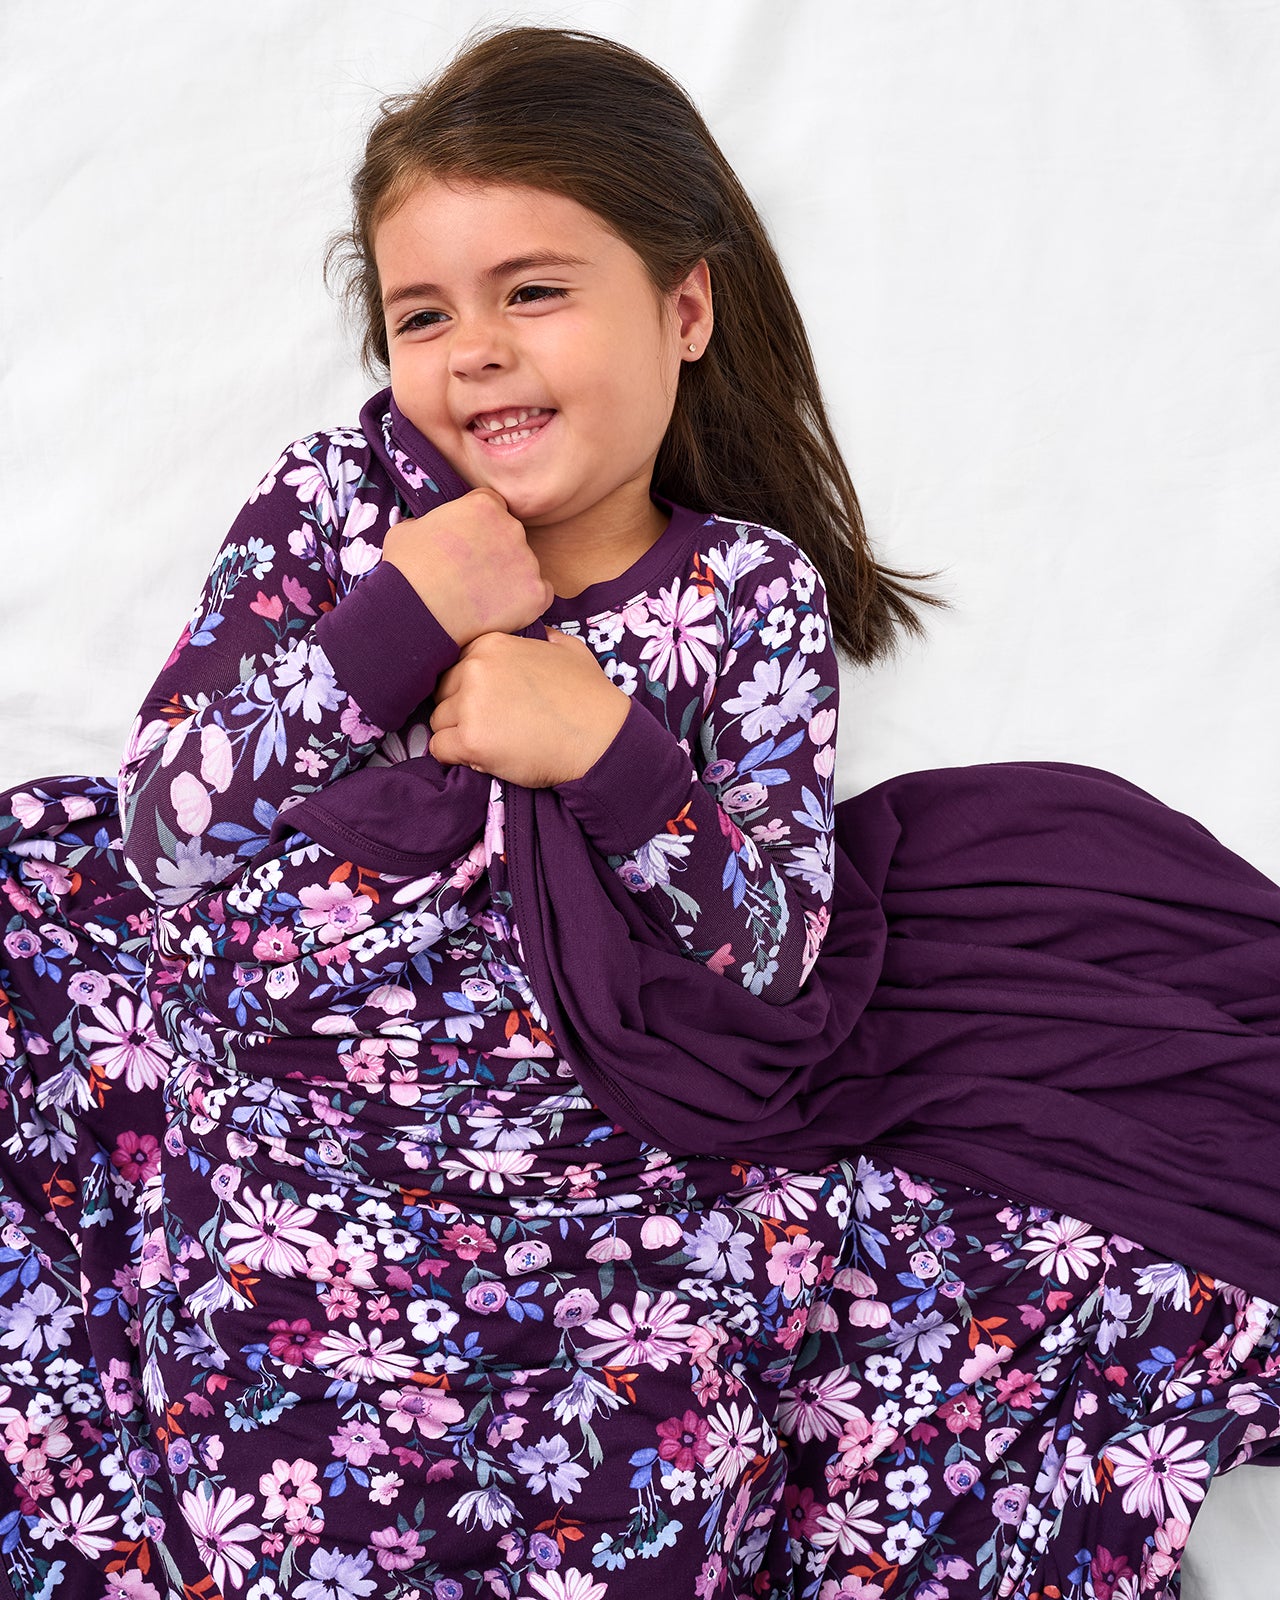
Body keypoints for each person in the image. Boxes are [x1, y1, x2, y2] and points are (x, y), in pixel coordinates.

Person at [1, 24, 1278, 1600]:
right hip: (299, 1144)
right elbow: (163, 835)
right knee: (294, 1518)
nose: (473, 350)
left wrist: (607, 750)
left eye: (532, 291)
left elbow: (774, 952)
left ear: (683, 311)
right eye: (422, 314)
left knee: (631, 1503)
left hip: (605, 1185)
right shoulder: (338, 510)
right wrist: (396, 624)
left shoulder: (745, 594)